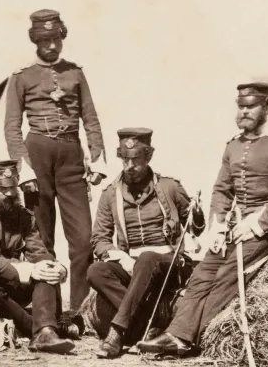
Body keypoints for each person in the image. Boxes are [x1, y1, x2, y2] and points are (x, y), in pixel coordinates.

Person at [137, 83, 268, 355]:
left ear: (267, 108)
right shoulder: (233, 147)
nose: (245, 111)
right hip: (235, 225)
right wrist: (218, 226)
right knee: (203, 273)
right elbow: (222, 190)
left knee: (226, 275)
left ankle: (194, 338)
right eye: (241, 106)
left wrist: (256, 225)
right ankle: (177, 336)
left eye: (252, 106)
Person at [4, 9, 107, 311]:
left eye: (56, 39)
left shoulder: (75, 72)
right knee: (41, 236)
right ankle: (49, 313)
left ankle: (80, 311)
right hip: (37, 153)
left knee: (83, 238)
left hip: (71, 154)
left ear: (63, 36)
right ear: (35, 40)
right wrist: (23, 168)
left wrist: (98, 159)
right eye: (44, 40)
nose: (51, 46)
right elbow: (12, 127)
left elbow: (90, 117)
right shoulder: (21, 77)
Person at [86, 128, 206, 359]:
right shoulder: (110, 194)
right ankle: (153, 320)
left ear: (148, 156)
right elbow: (99, 239)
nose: (129, 166)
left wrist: (198, 214)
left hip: (169, 264)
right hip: (132, 263)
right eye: (125, 160)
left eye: (136, 160)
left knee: (148, 258)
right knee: (95, 271)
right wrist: (122, 258)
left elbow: (196, 229)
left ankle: (118, 331)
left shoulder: (170, 187)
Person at [0, 160, 77, 354]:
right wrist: (28, 270)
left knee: (45, 268)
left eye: (14, 187)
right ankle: (45, 328)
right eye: (3, 188)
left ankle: (45, 331)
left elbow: (38, 250)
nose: (11, 193)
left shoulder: (23, 215)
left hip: (12, 283)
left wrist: (57, 268)